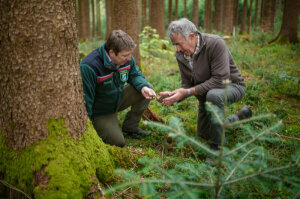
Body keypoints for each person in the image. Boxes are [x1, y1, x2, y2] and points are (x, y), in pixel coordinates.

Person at [158, 18, 252, 150]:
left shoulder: (215, 43)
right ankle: (238, 117)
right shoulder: (181, 55)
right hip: (205, 95)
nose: (178, 49)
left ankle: (218, 148)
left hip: (231, 86)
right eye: (175, 45)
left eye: (179, 44)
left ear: (192, 36)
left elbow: (221, 79)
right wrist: (176, 95)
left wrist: (189, 92)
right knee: (203, 135)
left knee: (213, 96)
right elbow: (187, 84)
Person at [80, 30, 156, 147]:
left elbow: (135, 74)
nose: (129, 59)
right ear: (111, 52)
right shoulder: (89, 66)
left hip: (118, 98)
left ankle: (131, 127)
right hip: (100, 111)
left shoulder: (126, 59)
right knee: (118, 142)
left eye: (129, 54)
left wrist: (143, 86)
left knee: (147, 88)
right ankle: (104, 125)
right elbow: (86, 101)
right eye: (125, 55)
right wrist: (86, 129)